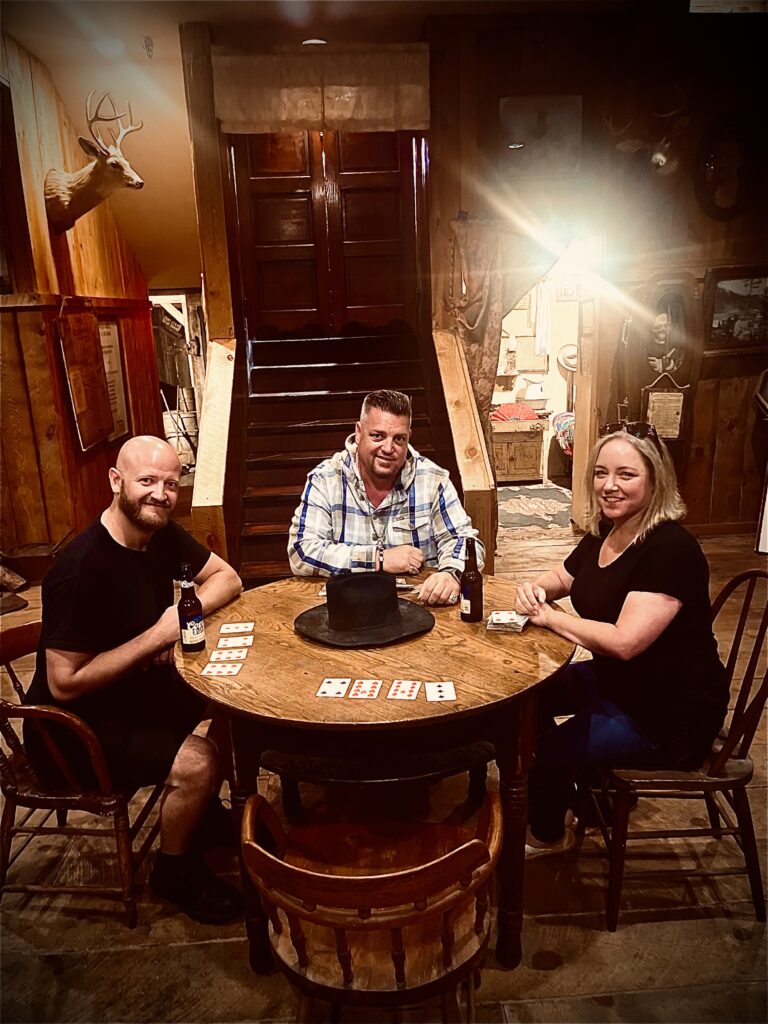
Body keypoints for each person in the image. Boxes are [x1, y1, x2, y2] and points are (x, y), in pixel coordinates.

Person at [24, 436, 244, 922]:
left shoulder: (157, 533)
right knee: (198, 762)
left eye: (170, 483)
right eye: (147, 481)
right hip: (70, 730)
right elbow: (63, 682)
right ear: (116, 482)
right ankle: (174, 870)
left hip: (127, 697)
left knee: (235, 702)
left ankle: (200, 816)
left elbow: (227, 578)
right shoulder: (82, 568)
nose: (160, 494)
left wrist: (180, 616)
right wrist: (157, 635)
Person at [513, 422, 729, 857]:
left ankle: (547, 832)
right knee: (529, 696)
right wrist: (536, 589)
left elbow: (625, 641)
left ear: (655, 479)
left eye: (625, 475)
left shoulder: (670, 548)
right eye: (600, 473)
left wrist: (550, 619)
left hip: (668, 714)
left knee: (548, 748)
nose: (608, 486)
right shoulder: (607, 531)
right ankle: (579, 796)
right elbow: (563, 577)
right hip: (622, 683)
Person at [287, 389, 485, 606]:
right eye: (377, 436)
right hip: (347, 613)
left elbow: (465, 542)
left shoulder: (433, 479)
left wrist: (450, 574)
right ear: (359, 432)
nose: (388, 448)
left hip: (419, 609)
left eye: (399, 439)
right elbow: (302, 551)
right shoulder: (326, 478)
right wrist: (378, 559)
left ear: (409, 437)